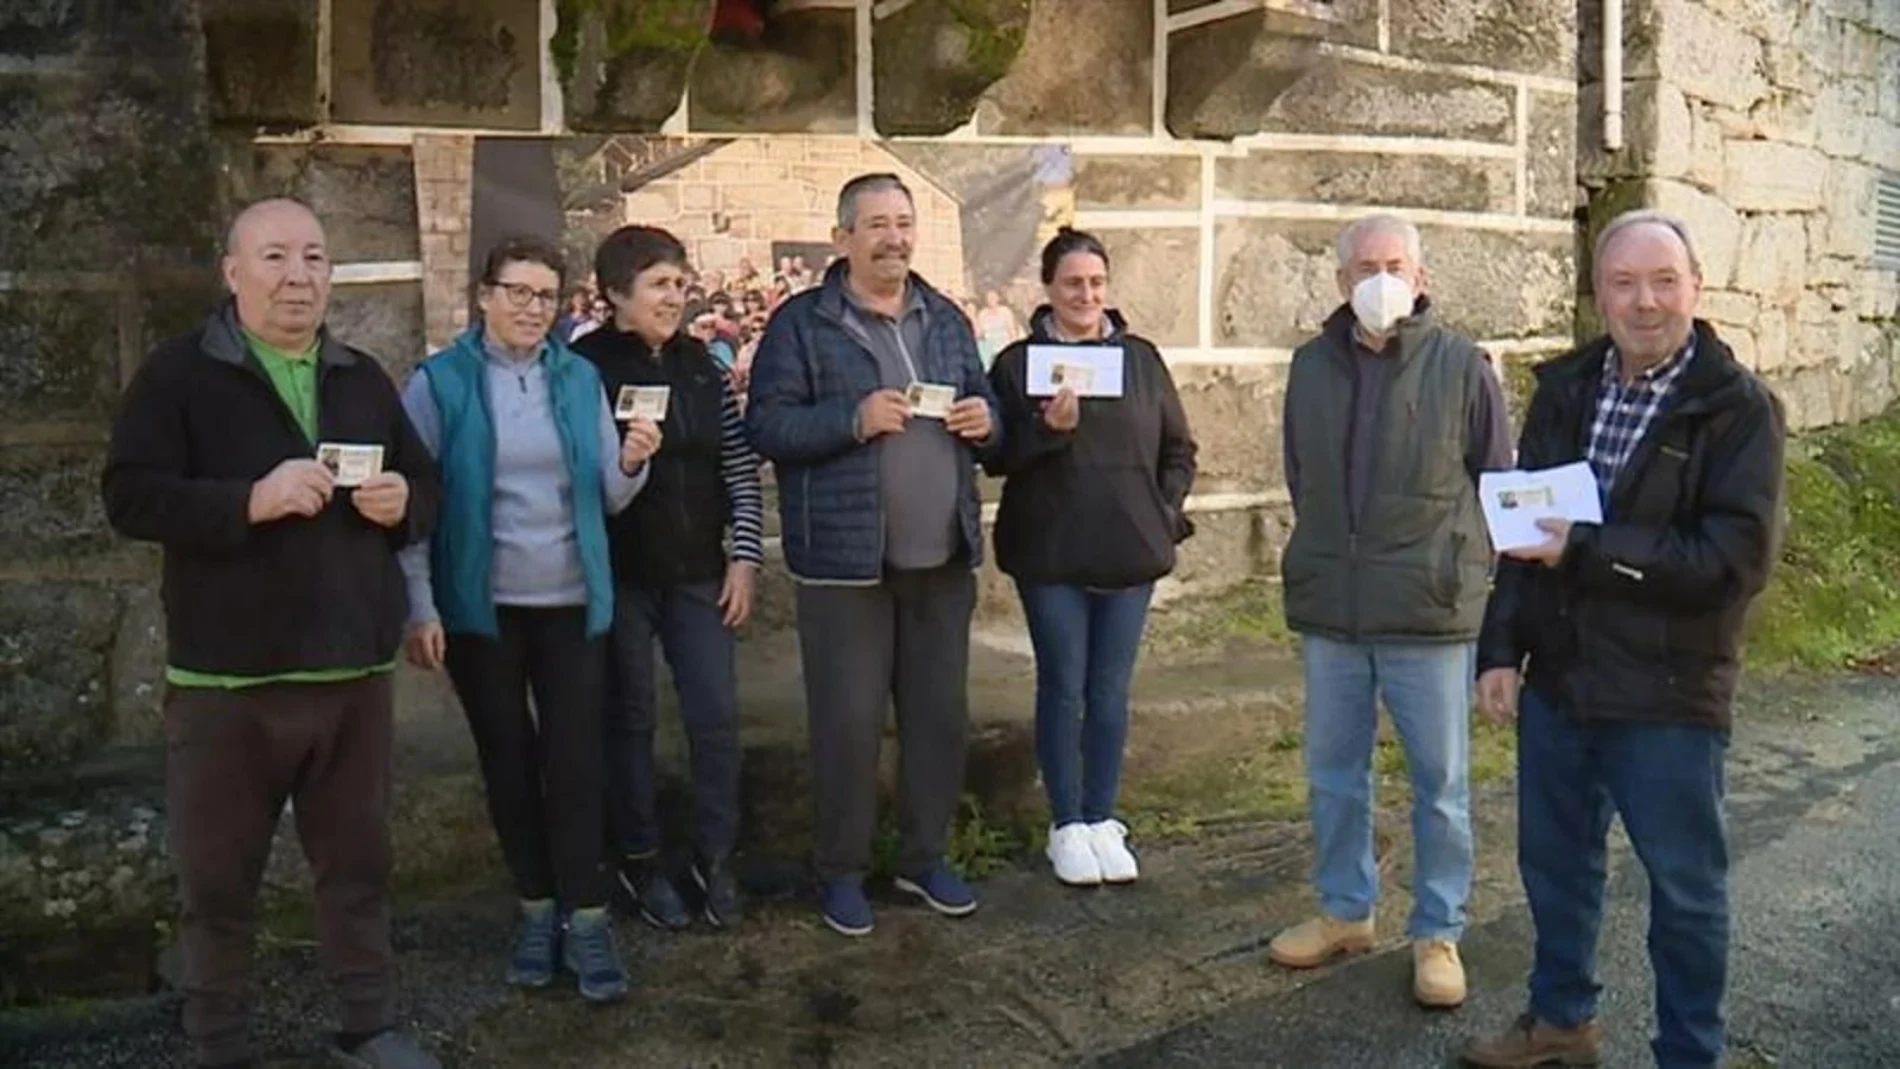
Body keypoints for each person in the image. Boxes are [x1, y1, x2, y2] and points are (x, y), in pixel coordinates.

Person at [101, 198, 442, 1069]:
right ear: (233, 272)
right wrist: (247, 500)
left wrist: (403, 502)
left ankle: (367, 1024)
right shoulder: (177, 376)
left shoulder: (362, 375)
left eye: (315, 259)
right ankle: (220, 1042)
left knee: (359, 866)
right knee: (218, 881)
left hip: (352, 674)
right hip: (230, 685)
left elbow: (426, 484)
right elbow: (129, 495)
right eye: (277, 258)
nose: (298, 277)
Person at [1460, 211, 1785, 1069]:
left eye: (1664, 281)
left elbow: (1733, 561)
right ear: (1598, 293)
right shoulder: (1568, 388)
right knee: (1556, 870)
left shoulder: (1738, 410)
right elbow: (1525, 531)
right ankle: (1561, 1021)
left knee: (1684, 891)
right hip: (1562, 685)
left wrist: (1590, 547)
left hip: (1670, 695)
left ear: (1696, 288)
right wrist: (1500, 650)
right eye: (1625, 283)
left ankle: (1690, 1053)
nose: (1646, 302)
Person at [397, 235, 658, 1004]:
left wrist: (637, 459)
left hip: (573, 603)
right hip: (484, 609)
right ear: (483, 294)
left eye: (545, 296)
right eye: (517, 291)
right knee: (509, 761)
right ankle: (536, 909)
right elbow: (415, 507)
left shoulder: (579, 379)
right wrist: (420, 603)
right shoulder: (438, 383)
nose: (530, 308)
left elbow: (609, 494)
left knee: (576, 764)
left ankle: (587, 917)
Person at [745, 172, 1001, 937]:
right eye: (877, 225)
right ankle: (841, 872)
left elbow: (993, 417)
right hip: (845, 568)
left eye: (903, 222)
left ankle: (924, 861)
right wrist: (850, 421)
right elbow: (767, 427)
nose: (894, 237)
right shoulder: (802, 325)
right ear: (843, 239)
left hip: (940, 562)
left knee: (937, 720)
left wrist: (988, 421)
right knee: (848, 725)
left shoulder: (947, 319)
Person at [1271, 213, 1512, 1009]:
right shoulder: (1310, 366)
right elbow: (1303, 477)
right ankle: (1346, 909)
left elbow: (1495, 482)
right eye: (1366, 265)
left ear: (1420, 277)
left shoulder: (1462, 366)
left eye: (1396, 264)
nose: (1382, 278)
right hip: (1334, 609)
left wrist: (1473, 581)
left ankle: (1437, 928)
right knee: (1334, 773)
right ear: (1341, 281)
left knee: (1439, 782)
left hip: (1427, 609)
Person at [983, 228, 1198, 888]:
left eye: (1097, 282)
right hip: (1051, 553)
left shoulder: (1140, 359)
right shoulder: (1019, 364)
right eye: (1073, 282)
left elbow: (1179, 448)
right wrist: (1048, 431)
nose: (1086, 294)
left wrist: (1160, 509)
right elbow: (995, 457)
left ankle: (1103, 816)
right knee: (1064, 682)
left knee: (1110, 690)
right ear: (1048, 287)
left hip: (1128, 551)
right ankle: (1067, 821)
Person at [570, 225, 766, 933]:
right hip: (620, 577)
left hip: (698, 576)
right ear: (615, 294)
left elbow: (738, 467)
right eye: (658, 284)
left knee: (715, 717)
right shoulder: (582, 367)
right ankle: (641, 859)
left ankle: (716, 856)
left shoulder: (702, 366)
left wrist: (744, 557)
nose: (675, 297)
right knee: (630, 720)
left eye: (681, 284)